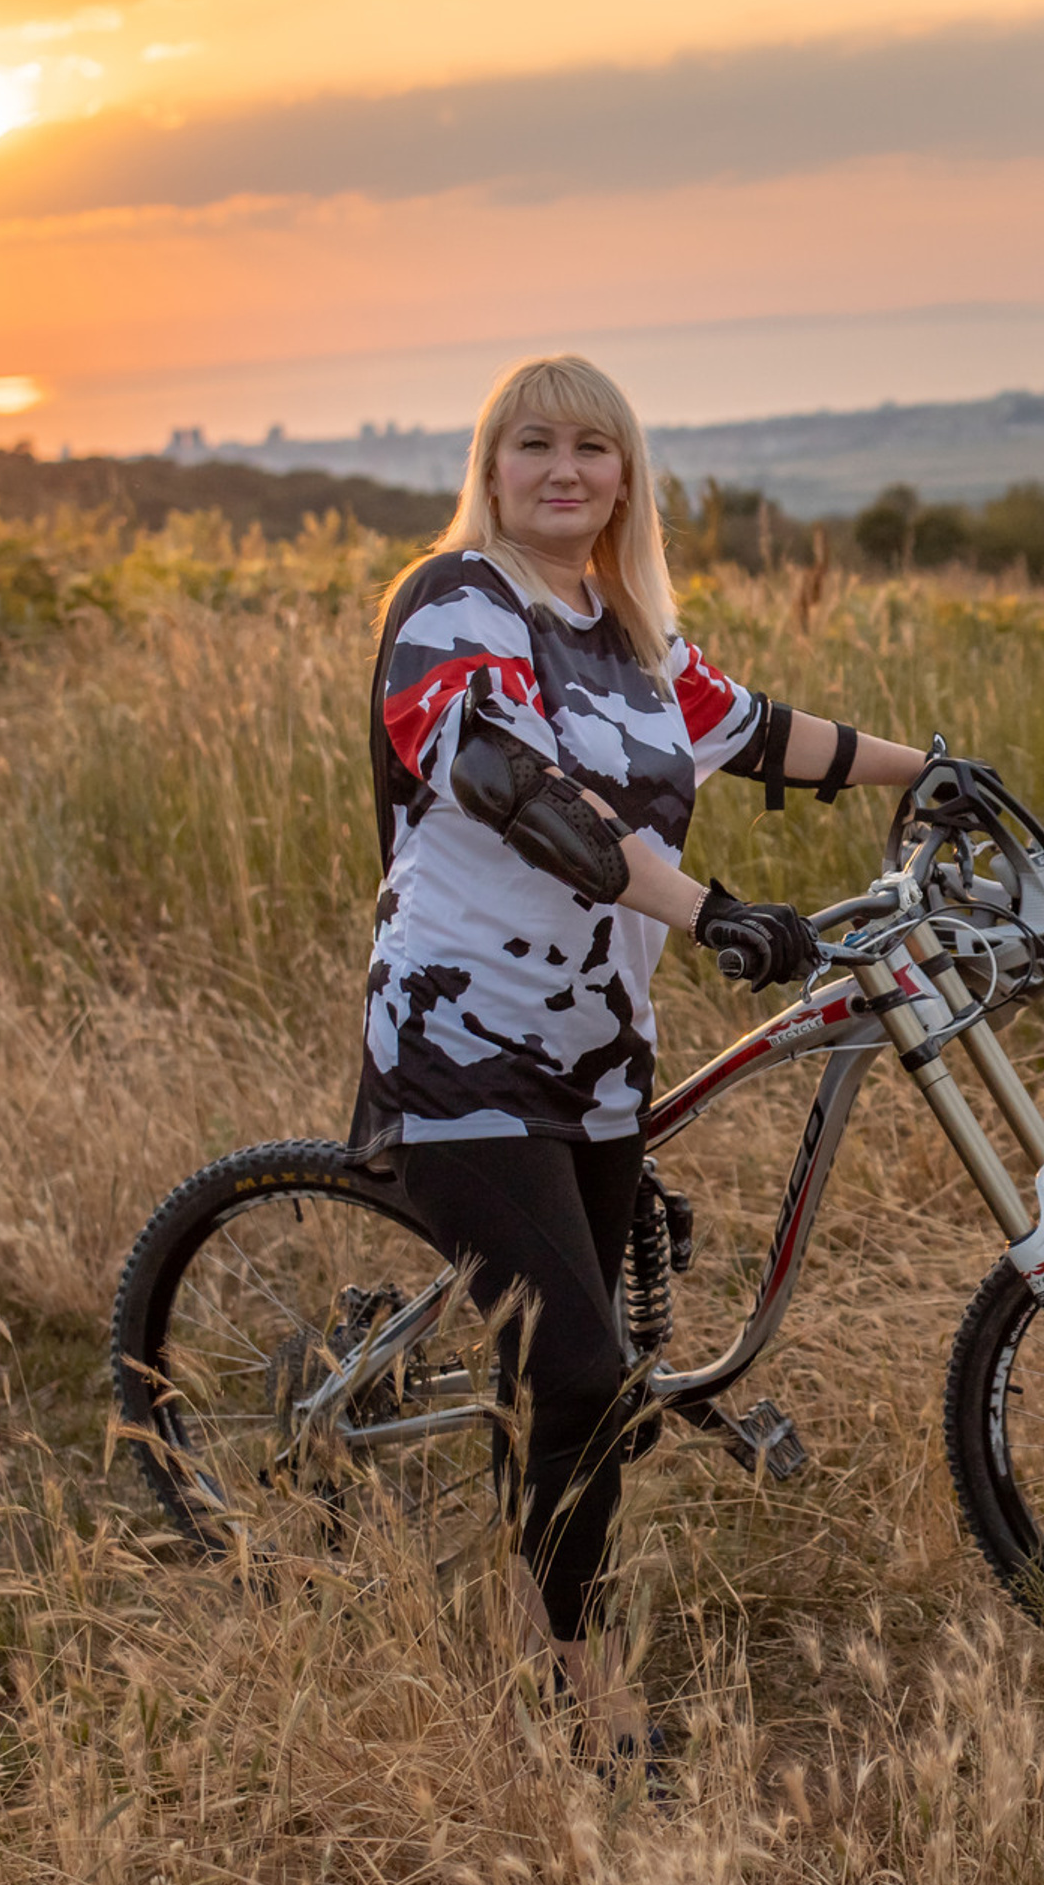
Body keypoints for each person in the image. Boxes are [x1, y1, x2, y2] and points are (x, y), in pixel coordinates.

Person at [351, 352, 927, 1760]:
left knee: (576, 1380)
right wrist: (705, 908)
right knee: (587, 1373)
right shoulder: (455, 603)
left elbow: (764, 733)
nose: (564, 470)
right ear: (491, 468)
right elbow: (518, 790)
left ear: (626, 477)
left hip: (601, 1052)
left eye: (592, 448)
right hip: (462, 1039)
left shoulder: (631, 628)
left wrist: (934, 770)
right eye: (533, 444)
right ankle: (575, 1688)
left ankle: (528, 1610)